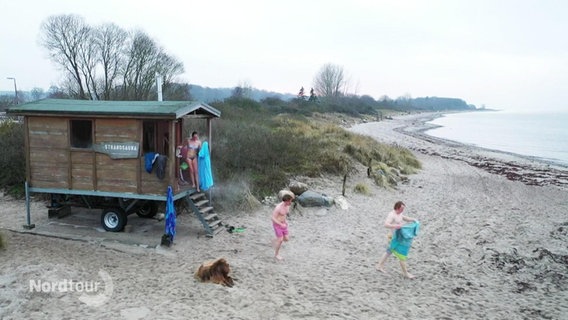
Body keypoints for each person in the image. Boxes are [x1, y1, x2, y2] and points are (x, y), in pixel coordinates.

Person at [376, 201, 417, 279]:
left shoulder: (400, 213)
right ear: (397, 208)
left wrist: (413, 220)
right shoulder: (392, 215)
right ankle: (406, 273)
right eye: (402, 209)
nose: (403, 210)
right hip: (393, 237)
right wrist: (396, 226)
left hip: (398, 237)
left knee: (388, 251)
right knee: (402, 255)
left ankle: (379, 266)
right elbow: (386, 224)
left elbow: (405, 218)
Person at [271, 193, 294, 261]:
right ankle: (276, 255)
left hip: (284, 224)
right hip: (277, 225)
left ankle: (274, 241)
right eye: (290, 201)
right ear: (286, 201)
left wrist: (285, 221)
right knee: (280, 240)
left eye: (291, 201)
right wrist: (280, 224)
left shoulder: (288, 205)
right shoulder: (278, 208)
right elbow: (272, 218)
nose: (291, 202)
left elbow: (284, 214)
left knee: (286, 239)